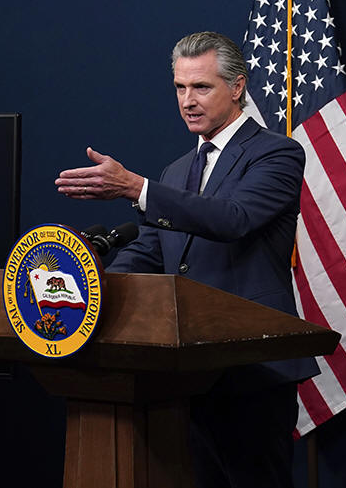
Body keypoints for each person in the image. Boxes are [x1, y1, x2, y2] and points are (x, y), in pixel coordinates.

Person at [55, 31, 319, 488]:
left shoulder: (276, 152)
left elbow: (233, 218)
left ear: (236, 87)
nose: (188, 101)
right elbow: (150, 252)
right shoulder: (176, 172)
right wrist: (87, 289)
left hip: (251, 370)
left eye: (201, 87)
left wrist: (136, 188)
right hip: (184, 373)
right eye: (180, 87)